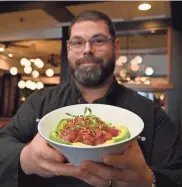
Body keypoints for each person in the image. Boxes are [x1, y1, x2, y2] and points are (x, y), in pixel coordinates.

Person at [0, 10, 182, 187]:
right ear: (68, 49)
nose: (87, 49)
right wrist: (25, 158)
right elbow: (4, 142)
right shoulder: (39, 101)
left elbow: (176, 173)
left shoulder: (151, 113)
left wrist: (149, 180)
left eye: (98, 40)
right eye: (77, 42)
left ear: (116, 47)